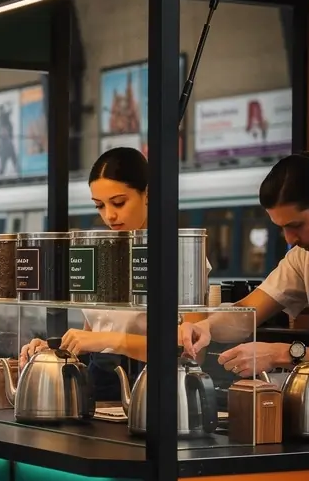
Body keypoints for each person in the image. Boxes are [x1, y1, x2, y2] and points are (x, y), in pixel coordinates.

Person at [19, 146, 206, 398]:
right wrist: (53, 348)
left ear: (148, 193)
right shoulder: (100, 250)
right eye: (99, 206)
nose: (110, 215)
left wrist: (112, 340)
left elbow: (192, 347)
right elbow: (92, 333)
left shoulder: (181, 253)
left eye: (119, 202)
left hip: (153, 387)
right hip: (98, 384)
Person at [184, 154, 309, 374]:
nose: (289, 239)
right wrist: (205, 327)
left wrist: (280, 354)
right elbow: (247, 313)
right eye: (282, 229)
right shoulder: (304, 258)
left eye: (296, 226)